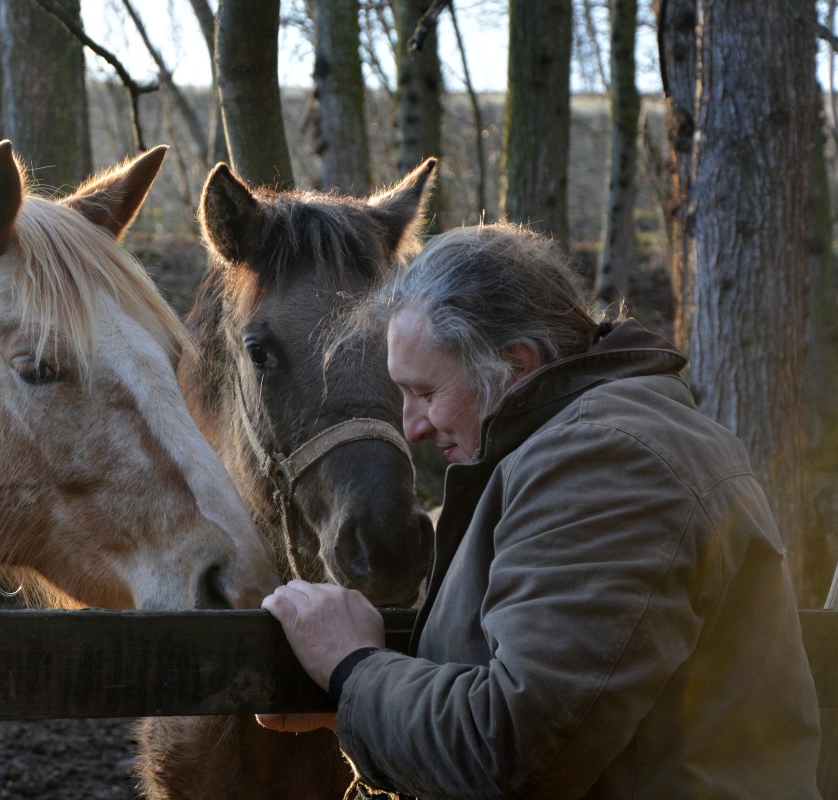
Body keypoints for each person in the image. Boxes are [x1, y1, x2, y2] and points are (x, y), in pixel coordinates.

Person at [260, 222, 822, 799]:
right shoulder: (586, 446)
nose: (411, 428)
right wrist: (360, 711)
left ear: (516, 365)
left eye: (426, 393)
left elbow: (513, 751)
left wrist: (353, 670)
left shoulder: (608, 462)